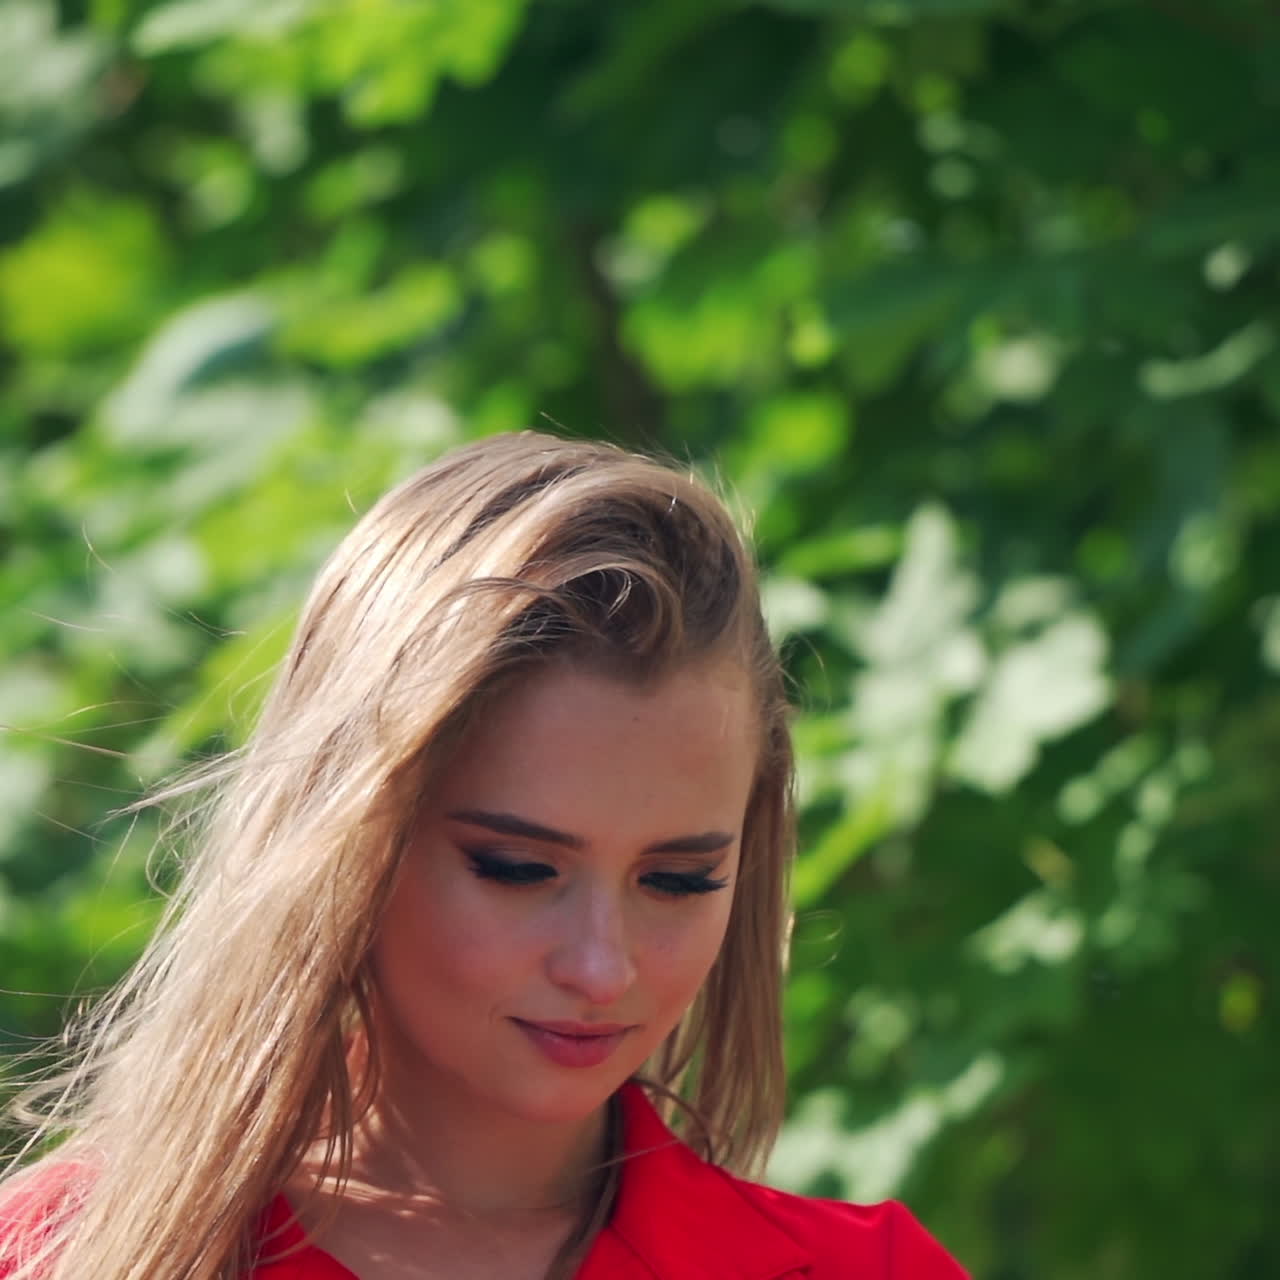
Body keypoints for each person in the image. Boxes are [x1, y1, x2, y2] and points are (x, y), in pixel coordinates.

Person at [0, 432, 967, 1279]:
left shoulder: (867, 1270)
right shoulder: (62, 1252)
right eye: (517, 868)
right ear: (349, 841)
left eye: (678, 880)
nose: (601, 965)